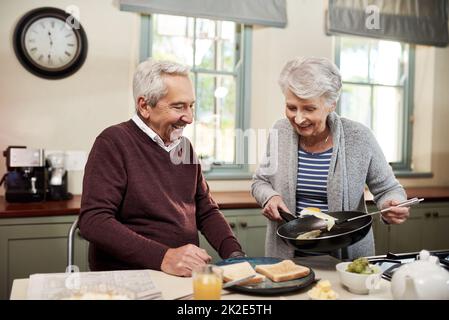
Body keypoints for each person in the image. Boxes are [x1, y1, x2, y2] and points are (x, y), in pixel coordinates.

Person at [79, 59, 245, 276]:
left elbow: (206, 210)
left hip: (182, 275)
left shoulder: (184, 147)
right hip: (130, 277)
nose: (189, 118)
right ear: (144, 106)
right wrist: (165, 257)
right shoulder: (113, 142)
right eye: (178, 107)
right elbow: (94, 221)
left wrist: (235, 255)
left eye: (191, 106)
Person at [251, 57, 410, 260]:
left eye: (309, 108)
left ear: (331, 104)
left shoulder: (359, 137)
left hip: (347, 258)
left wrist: (391, 204)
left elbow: (389, 189)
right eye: (292, 108)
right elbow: (260, 181)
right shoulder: (279, 131)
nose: (298, 119)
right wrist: (270, 197)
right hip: (288, 257)